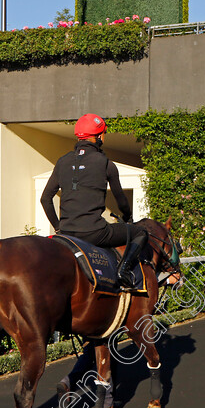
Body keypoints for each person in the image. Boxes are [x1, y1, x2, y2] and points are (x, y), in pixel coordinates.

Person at [40, 113, 147, 288]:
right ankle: (123, 271)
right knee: (140, 233)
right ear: (99, 136)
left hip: (67, 234)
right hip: (96, 233)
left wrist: (59, 228)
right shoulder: (106, 164)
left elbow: (45, 199)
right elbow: (121, 202)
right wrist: (127, 216)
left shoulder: (62, 162)